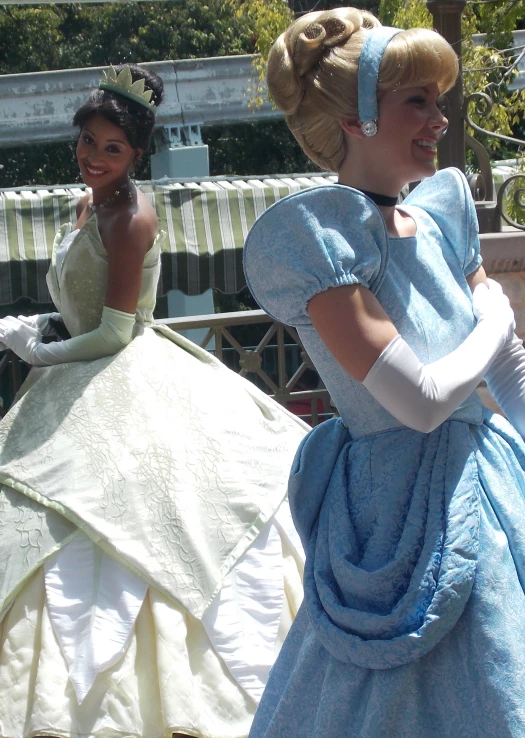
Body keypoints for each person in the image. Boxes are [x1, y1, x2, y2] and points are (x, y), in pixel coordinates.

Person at [0, 63, 307, 738]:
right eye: (88, 143)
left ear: (137, 155)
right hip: (75, 375)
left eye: (111, 149)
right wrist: (43, 328)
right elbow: (82, 307)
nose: (93, 158)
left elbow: (118, 331)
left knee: (152, 513)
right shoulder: (88, 203)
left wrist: (38, 350)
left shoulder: (131, 217)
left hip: (126, 371)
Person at [243, 8, 525, 737]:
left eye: (438, 100)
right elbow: (421, 403)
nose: (438, 119)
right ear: (357, 119)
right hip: (395, 508)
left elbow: (504, 370)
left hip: (492, 482)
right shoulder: (321, 241)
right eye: (416, 102)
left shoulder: (439, 214)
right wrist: (494, 317)